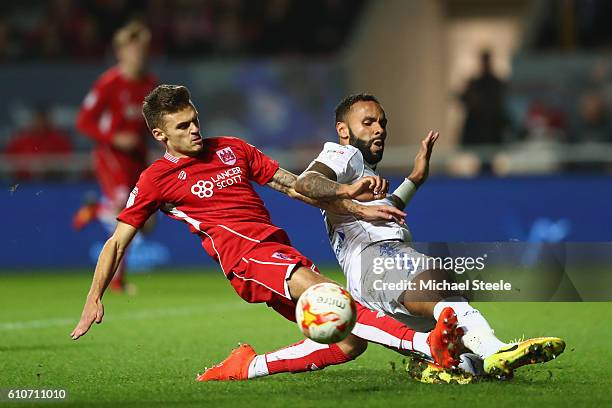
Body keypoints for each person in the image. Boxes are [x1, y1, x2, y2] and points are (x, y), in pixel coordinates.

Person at [70, 84, 465, 383]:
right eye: (183, 126)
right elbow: (117, 241)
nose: (195, 130)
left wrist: (355, 204)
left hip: (275, 249)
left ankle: (246, 367)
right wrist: (93, 297)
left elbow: (295, 187)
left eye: (195, 120)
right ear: (161, 136)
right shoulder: (156, 179)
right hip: (246, 259)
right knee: (334, 299)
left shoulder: (232, 149)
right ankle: (426, 346)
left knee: (348, 342)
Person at [291, 93, 565, 379]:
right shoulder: (344, 154)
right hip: (378, 257)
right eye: (368, 122)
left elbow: (384, 212)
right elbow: (306, 182)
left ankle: (455, 365)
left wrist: (415, 179)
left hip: (368, 278)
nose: (379, 129)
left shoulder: (360, 171)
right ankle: (495, 349)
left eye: (382, 123)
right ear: (343, 130)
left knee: (453, 340)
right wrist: (349, 191)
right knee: (440, 282)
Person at [74, 21, 158, 292]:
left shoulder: (150, 84)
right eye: (132, 49)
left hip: (138, 159)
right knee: (125, 215)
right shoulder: (109, 83)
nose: (138, 54)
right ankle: (117, 282)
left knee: (146, 224)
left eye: (142, 49)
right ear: (120, 51)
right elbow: (84, 121)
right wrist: (114, 138)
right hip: (112, 158)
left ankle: (95, 209)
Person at [4, 105, 72, 181]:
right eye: (38, 119)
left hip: (53, 182)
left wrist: (50, 164)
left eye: (43, 119)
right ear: (33, 120)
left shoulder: (59, 139)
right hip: (23, 183)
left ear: (48, 120)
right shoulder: (21, 139)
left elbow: (68, 162)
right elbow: (8, 161)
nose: (40, 123)